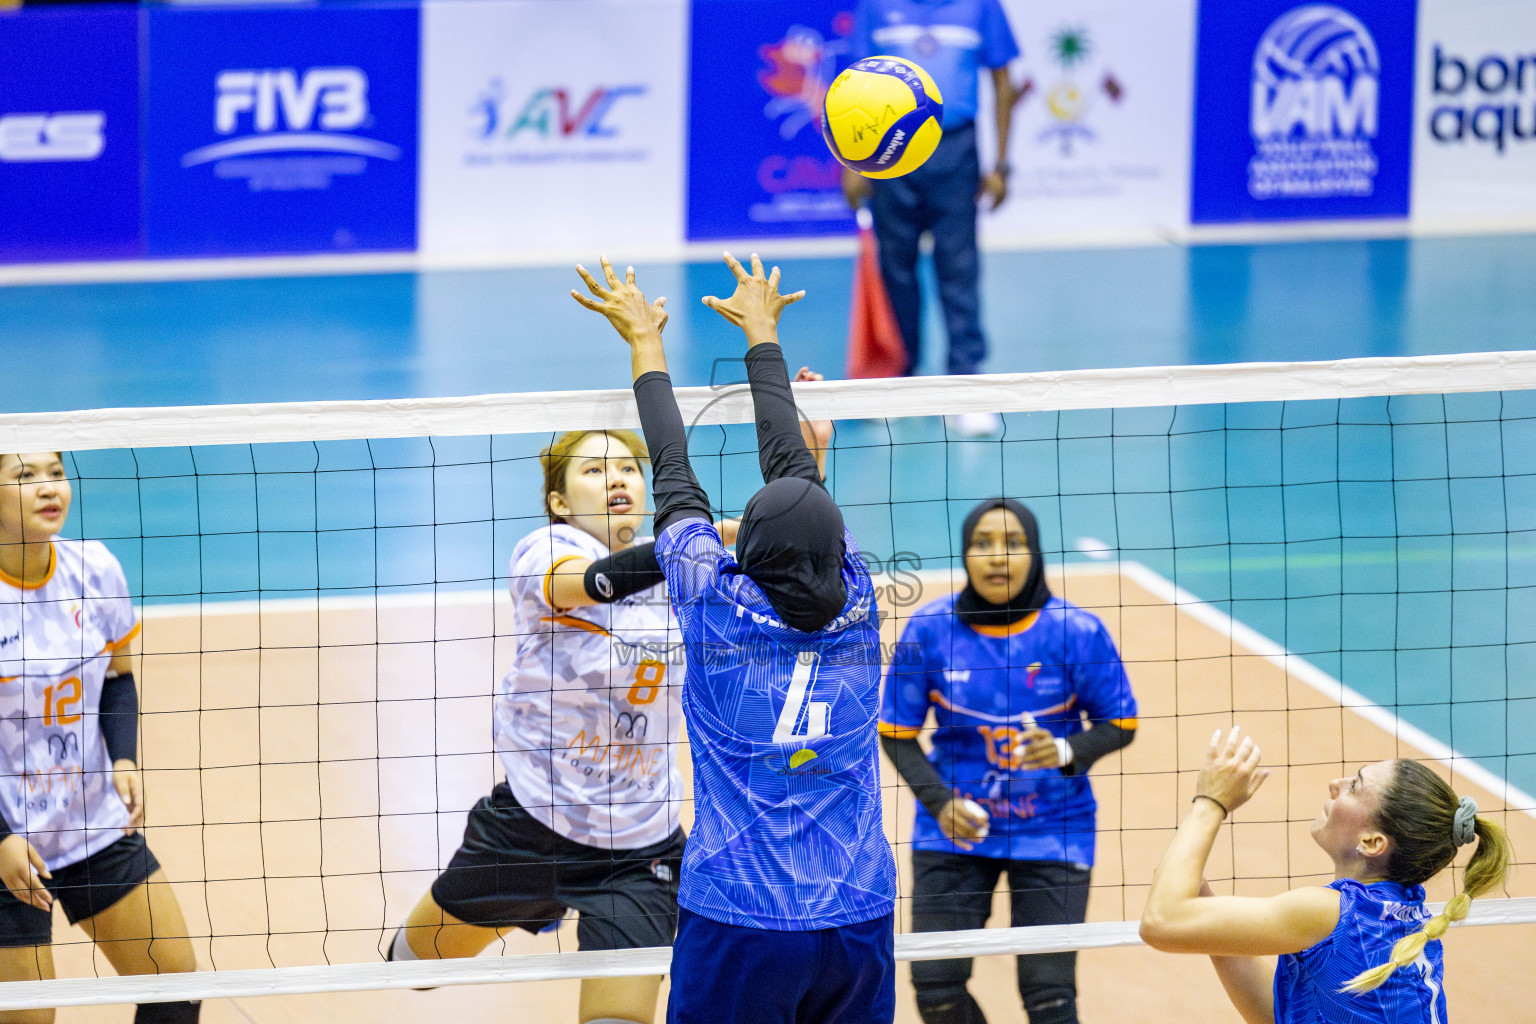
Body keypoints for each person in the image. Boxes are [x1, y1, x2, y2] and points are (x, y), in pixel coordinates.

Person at [572, 253, 897, 1024]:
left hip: (741, 918)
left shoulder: (715, 610)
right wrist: (763, 330)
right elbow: (793, 465)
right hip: (858, 913)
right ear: (835, 545)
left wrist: (645, 343)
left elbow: (673, 468)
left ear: (746, 552)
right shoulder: (859, 601)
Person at [389, 427, 688, 1024]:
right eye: (595, 471)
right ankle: (535, 902)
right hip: (532, 825)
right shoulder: (544, 552)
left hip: (639, 846)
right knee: (411, 968)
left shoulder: (682, 573)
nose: (617, 479)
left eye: (628, 467)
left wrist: (810, 455)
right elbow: (586, 585)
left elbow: (793, 553)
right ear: (559, 502)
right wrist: (688, 545)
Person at [879, 498, 1138, 1024]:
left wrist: (1067, 750)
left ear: (1035, 553)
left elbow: (1120, 724)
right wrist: (940, 802)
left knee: (1049, 997)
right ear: (964, 556)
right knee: (936, 990)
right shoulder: (930, 630)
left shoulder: (1075, 631)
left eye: (1013, 543)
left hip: (1052, 827)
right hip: (955, 828)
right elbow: (896, 734)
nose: (999, 557)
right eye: (983, 544)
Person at [0, 452, 200, 1024]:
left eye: (56, 474)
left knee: (176, 989)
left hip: (88, 821)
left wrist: (125, 756)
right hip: (6, 840)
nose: (48, 489)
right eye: (24, 476)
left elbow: (117, 675)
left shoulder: (95, 569)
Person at [1140, 727, 1513, 1024]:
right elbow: (1285, 1016)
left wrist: (1211, 802)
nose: (1336, 782)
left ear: (1371, 842)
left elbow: (1160, 922)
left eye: (1355, 786)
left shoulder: (1329, 914)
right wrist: (1210, 922)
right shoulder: (1399, 914)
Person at [842, 0, 1021, 436]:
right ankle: (901, 382)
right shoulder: (877, 8)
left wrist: (1000, 165)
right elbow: (853, 87)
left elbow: (1002, 82)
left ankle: (964, 387)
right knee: (896, 270)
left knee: (958, 267)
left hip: (955, 149)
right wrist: (852, 163)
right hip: (892, 152)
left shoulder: (981, 7)